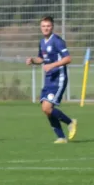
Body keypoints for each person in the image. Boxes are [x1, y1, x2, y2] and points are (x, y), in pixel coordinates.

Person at [26, 16, 77, 144]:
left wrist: (52, 65)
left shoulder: (57, 41)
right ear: (40, 27)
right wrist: (33, 60)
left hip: (59, 78)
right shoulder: (42, 42)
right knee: (46, 110)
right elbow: (41, 59)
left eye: (48, 26)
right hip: (49, 79)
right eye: (43, 26)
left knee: (47, 108)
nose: (45, 28)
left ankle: (70, 122)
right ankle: (61, 137)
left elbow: (68, 59)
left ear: (52, 27)